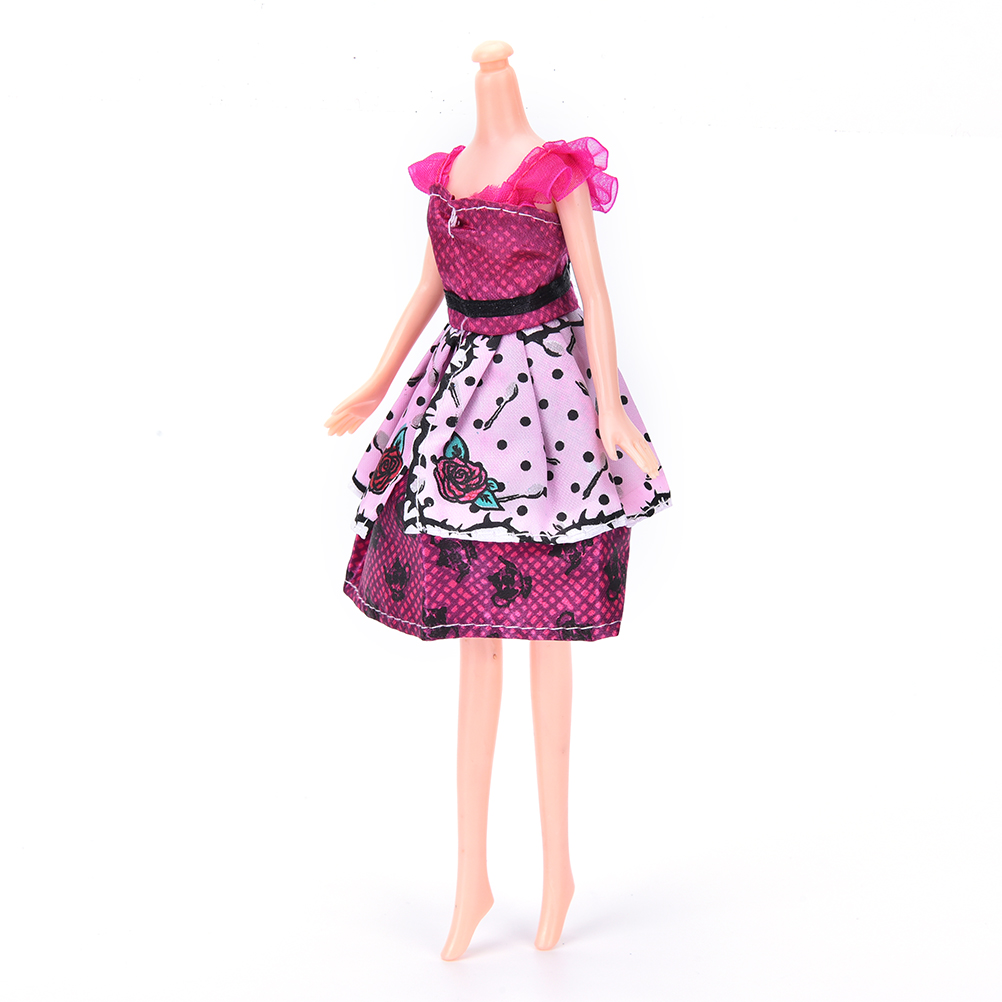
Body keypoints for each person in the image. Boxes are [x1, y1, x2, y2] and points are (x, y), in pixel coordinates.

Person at [325, 40, 671, 960]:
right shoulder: (446, 179)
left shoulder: (556, 171)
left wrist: (610, 409)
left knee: (546, 640)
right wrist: (376, 381)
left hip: (547, 407)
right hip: (463, 406)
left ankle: (558, 870)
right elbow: (428, 290)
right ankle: (471, 877)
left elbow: (595, 291)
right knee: (475, 643)